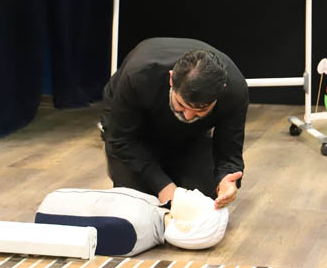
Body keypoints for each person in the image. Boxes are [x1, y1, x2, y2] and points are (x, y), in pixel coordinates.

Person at [100, 37, 248, 209]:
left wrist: (227, 179)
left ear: (221, 92)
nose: (188, 116)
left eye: (200, 110)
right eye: (181, 105)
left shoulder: (235, 91)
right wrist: (163, 185)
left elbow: (230, 151)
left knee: (203, 202)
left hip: (191, 135)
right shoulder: (139, 76)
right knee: (137, 205)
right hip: (133, 133)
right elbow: (121, 139)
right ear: (171, 79)